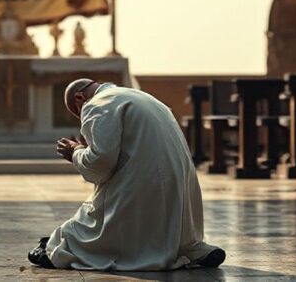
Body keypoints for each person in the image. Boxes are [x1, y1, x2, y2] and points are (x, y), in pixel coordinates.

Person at [28, 79, 225, 271]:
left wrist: (76, 152)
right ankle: (192, 249)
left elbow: (101, 164)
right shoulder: (143, 97)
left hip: (145, 186)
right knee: (174, 235)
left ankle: (63, 248)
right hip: (180, 188)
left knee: (79, 231)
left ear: (80, 98)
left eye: (78, 113)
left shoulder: (95, 104)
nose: (82, 117)